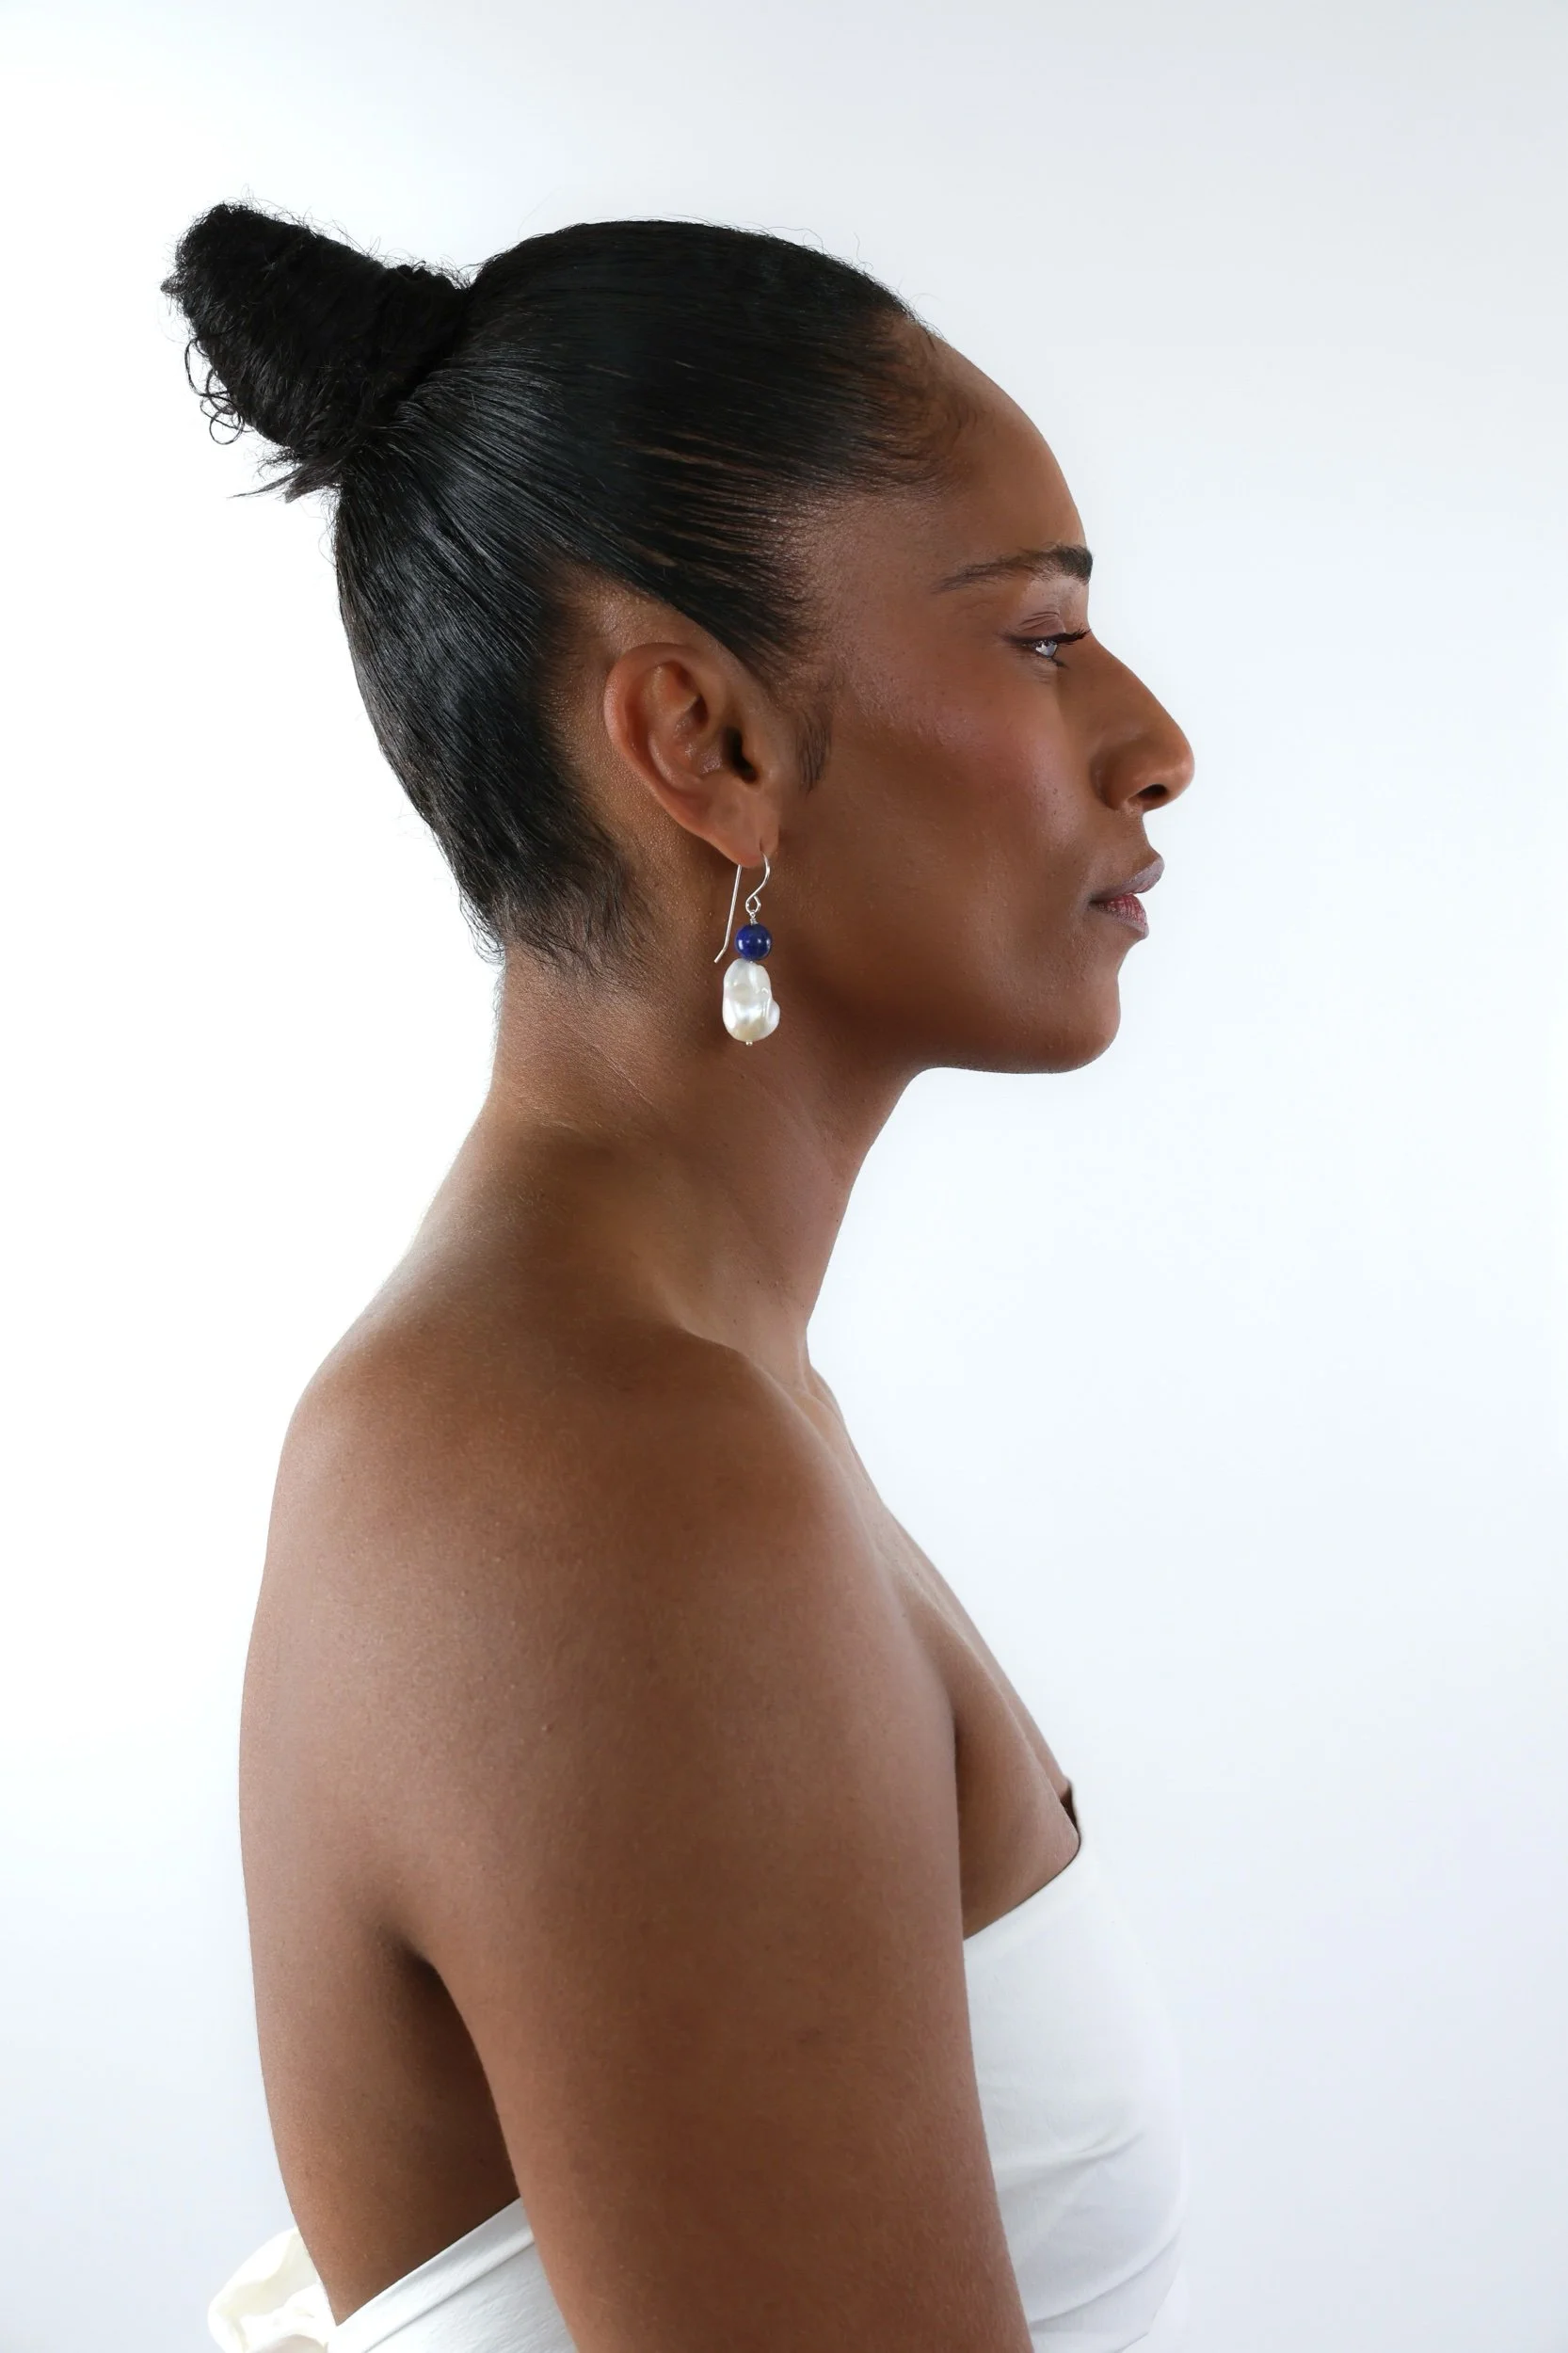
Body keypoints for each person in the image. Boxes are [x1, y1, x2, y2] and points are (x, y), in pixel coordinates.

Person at [165, 203, 1195, 2353]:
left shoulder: (675, 1400)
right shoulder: (600, 1479)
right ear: (700, 741)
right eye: (1038, 639)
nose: (1153, 737)